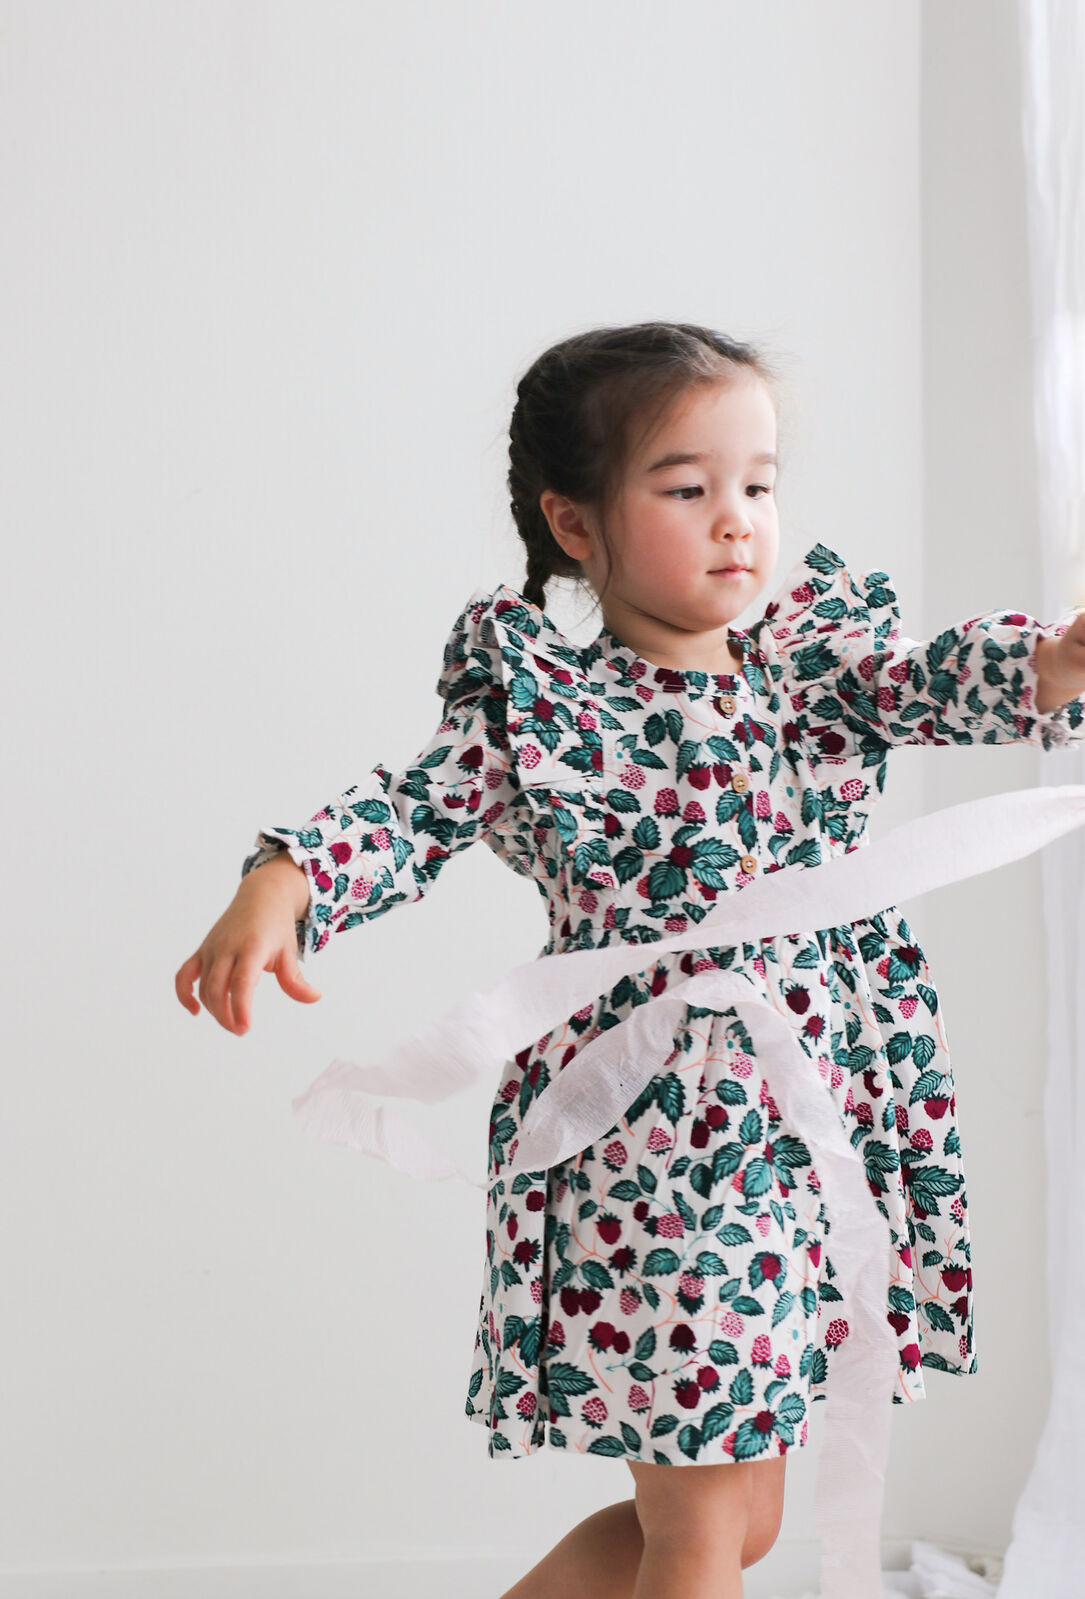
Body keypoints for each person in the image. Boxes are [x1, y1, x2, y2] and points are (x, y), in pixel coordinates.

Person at [175, 323, 1085, 1599]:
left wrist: (1050, 662)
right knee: (703, 1528)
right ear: (576, 525)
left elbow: (938, 682)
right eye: (684, 487)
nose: (736, 521)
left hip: (805, 1128)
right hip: (660, 1136)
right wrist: (288, 878)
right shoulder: (546, 708)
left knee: (735, 1519)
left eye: (757, 484)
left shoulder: (812, 673)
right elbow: (409, 809)